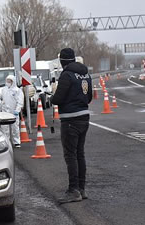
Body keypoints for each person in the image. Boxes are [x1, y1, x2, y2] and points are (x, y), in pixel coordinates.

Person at [50, 48, 92, 204]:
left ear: (63, 61)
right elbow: (88, 97)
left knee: (71, 155)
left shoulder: (66, 75)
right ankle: (81, 188)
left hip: (70, 120)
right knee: (80, 154)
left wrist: (53, 94)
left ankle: (73, 190)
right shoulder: (85, 74)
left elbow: (58, 99)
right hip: (84, 118)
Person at [0, 75, 24, 148]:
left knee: (15, 127)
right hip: (4, 112)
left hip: (13, 112)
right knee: (5, 128)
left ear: (13, 81)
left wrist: (17, 110)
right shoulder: (4, 89)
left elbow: (20, 102)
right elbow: (0, 97)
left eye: (9, 81)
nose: (7, 82)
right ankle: (7, 142)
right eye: (7, 81)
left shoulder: (17, 90)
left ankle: (16, 142)